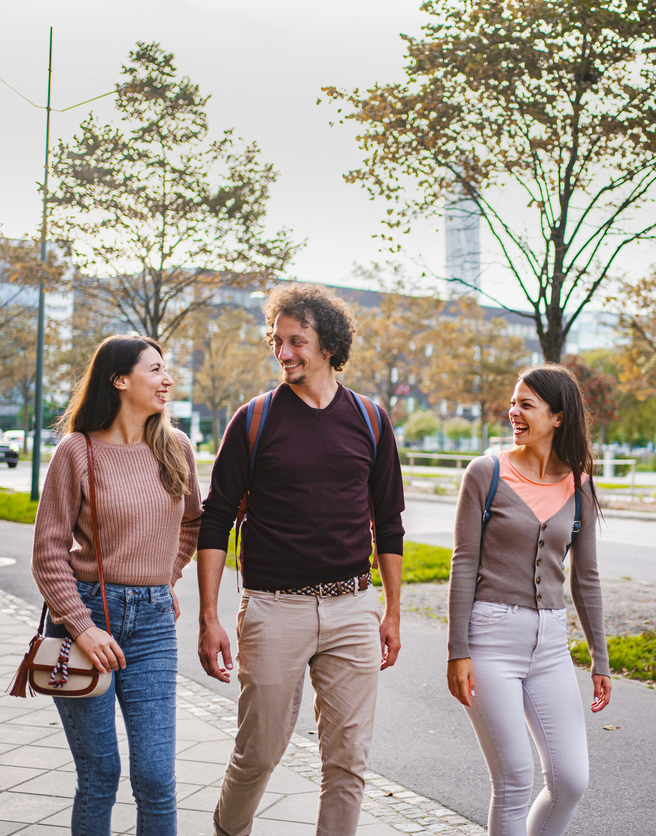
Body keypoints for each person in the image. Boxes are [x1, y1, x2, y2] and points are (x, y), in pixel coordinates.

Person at [197, 283, 405, 836]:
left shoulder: (371, 420)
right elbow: (215, 519)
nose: (282, 352)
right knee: (259, 753)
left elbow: (389, 524)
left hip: (353, 608)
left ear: (329, 346)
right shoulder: (254, 419)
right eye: (276, 340)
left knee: (348, 760)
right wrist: (209, 616)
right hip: (273, 608)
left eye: (296, 341)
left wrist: (392, 611)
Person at [31, 335, 202, 836]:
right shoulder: (76, 451)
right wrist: (82, 627)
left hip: (153, 624)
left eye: (166, 369)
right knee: (100, 774)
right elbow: (48, 552)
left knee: (157, 777)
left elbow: (192, 522)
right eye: (156, 369)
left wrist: (166, 574)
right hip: (86, 618)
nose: (167, 379)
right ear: (120, 380)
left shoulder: (176, 448)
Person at [447, 363, 611, 836]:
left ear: (558, 417)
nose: (513, 412)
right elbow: (463, 563)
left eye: (526, 405)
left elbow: (586, 578)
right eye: (512, 403)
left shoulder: (580, 485)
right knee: (514, 780)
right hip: (490, 638)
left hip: (551, 645)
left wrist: (600, 658)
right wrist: (457, 651)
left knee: (571, 781)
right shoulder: (486, 473)